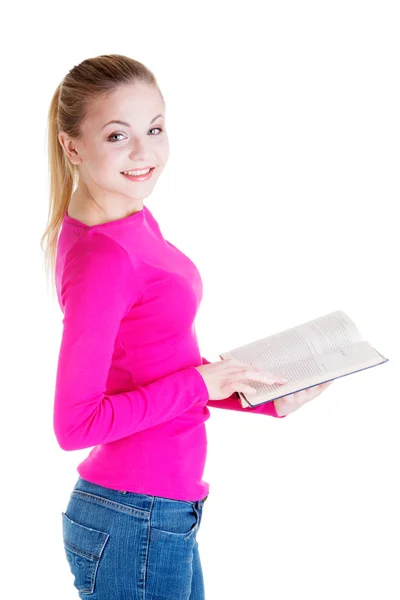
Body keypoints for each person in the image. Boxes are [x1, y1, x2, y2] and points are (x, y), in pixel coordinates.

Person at [41, 53, 333, 600]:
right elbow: (74, 424)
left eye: (154, 129)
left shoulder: (129, 216)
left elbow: (150, 365)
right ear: (72, 146)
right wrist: (202, 384)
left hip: (157, 512)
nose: (144, 152)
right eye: (117, 136)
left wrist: (255, 397)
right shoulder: (102, 255)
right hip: (135, 517)